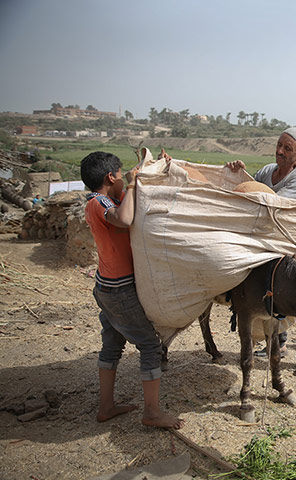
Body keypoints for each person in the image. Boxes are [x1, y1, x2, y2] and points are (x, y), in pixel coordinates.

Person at [80, 150, 183, 429]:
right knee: (150, 346)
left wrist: (149, 167)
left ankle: (106, 407)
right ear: (110, 177)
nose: (124, 177)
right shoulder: (97, 203)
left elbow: (130, 206)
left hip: (108, 287)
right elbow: (125, 220)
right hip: (118, 290)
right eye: (121, 173)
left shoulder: (108, 199)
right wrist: (131, 183)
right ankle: (152, 413)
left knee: (112, 344)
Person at [225, 127, 296, 377]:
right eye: (279, 145)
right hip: (269, 238)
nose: (280, 151)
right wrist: (238, 173)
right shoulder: (267, 170)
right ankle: (279, 340)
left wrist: (248, 189)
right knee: (270, 292)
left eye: (287, 148)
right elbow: (248, 186)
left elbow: (271, 203)